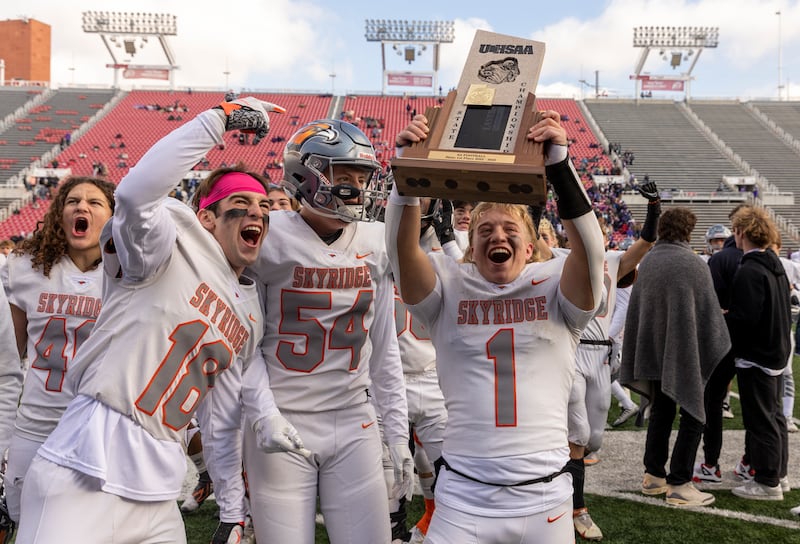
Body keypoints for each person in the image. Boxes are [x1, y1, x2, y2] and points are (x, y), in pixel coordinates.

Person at [16, 96, 280, 543]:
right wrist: (219, 119)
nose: (258, 211)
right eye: (241, 202)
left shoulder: (250, 310)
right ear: (207, 218)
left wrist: (235, 502)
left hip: (158, 483)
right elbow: (136, 194)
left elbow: (220, 412)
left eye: (265, 207)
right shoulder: (170, 243)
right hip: (88, 463)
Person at [387, 110, 605, 544]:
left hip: (544, 495)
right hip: (464, 492)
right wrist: (406, 175)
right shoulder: (449, 284)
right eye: (485, 229)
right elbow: (398, 250)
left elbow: (593, 252)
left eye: (509, 228)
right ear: (471, 245)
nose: (496, 236)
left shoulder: (553, 285)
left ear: (530, 246)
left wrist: (560, 164)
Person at [239, 119, 412, 543]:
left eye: (363, 177)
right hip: (283, 416)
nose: (357, 186)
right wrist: (264, 414)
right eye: (344, 175)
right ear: (306, 174)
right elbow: (245, 347)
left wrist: (398, 431)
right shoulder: (267, 237)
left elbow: (385, 349)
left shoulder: (376, 241)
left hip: (354, 419)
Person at [1, 176, 115, 526]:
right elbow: (11, 353)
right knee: (30, 525)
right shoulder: (27, 267)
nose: (81, 206)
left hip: (100, 429)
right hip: (37, 423)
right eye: (73, 201)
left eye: (94, 203)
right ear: (58, 215)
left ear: (114, 218)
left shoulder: (126, 274)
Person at [566, 181, 660, 541]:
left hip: (601, 353)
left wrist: (653, 208)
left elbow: (646, 243)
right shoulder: (564, 255)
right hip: (573, 349)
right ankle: (577, 508)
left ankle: (565, 484)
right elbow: (539, 246)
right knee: (576, 434)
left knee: (594, 437)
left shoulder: (614, 260)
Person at [620, 207, 730, 507]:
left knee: (661, 411)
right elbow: (709, 318)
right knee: (694, 413)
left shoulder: (650, 261)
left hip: (653, 351)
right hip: (685, 352)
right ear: (688, 231)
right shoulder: (693, 263)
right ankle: (680, 482)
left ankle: (653, 475)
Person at [727, 207, 791, 501]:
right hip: (775, 351)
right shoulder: (774, 264)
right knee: (775, 416)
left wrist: (725, 317)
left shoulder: (750, 269)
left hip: (757, 355)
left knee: (761, 420)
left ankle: (767, 481)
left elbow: (746, 319)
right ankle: (779, 473)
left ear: (742, 232)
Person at [695, 205, 751, 486]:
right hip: (754, 341)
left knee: (712, 402)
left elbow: (711, 306)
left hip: (723, 339)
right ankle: (752, 463)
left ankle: (711, 463)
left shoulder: (719, 262)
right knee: (755, 405)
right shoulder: (756, 258)